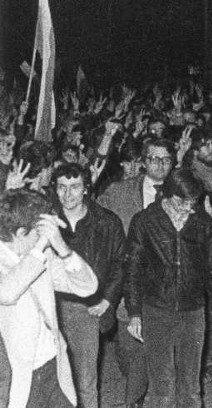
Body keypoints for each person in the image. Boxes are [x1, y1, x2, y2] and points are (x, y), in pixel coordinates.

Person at [124, 168, 212, 408]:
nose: (189, 209)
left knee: (191, 386)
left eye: (193, 202)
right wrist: (134, 313)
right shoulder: (145, 221)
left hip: (193, 311)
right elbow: (133, 270)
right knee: (162, 385)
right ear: (166, 196)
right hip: (156, 309)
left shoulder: (203, 223)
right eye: (182, 202)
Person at [0, 188, 98, 408]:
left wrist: (62, 248)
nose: (44, 239)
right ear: (21, 233)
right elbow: (6, 292)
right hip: (19, 379)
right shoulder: (31, 254)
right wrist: (40, 245)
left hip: (54, 368)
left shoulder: (41, 254)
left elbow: (87, 287)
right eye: (39, 232)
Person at [98, 137, 175, 408]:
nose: (160, 165)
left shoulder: (182, 191)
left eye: (166, 159)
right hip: (126, 287)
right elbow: (98, 226)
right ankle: (137, 391)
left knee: (151, 353)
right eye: (154, 159)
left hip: (164, 288)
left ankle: (136, 400)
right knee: (128, 351)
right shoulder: (118, 192)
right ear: (143, 162)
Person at [53, 163, 126, 408]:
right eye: (62, 187)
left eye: (74, 187)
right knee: (53, 380)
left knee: (85, 380)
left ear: (86, 188)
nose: (67, 194)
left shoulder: (106, 221)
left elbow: (120, 262)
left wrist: (108, 299)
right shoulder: (47, 220)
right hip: (51, 307)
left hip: (86, 308)